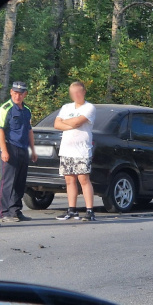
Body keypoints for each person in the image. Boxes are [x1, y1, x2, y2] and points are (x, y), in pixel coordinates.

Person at [53, 82, 97, 221]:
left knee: (83, 179)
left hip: (81, 150)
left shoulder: (89, 107)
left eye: (78, 92)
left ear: (83, 92)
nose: (75, 95)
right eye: (72, 93)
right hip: (67, 149)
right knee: (69, 180)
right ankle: (72, 210)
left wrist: (67, 122)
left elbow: (79, 122)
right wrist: (71, 123)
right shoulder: (66, 107)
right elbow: (56, 124)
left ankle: (89, 210)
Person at [0, 81, 37, 222]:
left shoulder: (26, 110)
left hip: (23, 148)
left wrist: (33, 150)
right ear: (11, 92)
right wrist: (4, 150)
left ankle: (15, 210)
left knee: (20, 182)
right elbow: (0, 130)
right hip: (10, 147)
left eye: (21, 94)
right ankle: (4, 211)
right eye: (15, 93)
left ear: (25, 94)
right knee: (8, 182)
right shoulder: (5, 108)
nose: (17, 96)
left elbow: (29, 131)